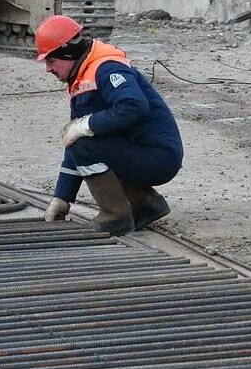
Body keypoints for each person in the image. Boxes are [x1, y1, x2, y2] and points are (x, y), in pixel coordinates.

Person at [33, 14, 184, 235]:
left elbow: (134, 106)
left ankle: (115, 216)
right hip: (144, 153)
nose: (48, 69)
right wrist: (62, 197)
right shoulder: (82, 77)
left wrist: (86, 125)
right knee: (82, 139)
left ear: (67, 52)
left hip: (159, 157)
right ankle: (146, 203)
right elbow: (75, 142)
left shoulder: (106, 68)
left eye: (51, 61)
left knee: (85, 139)